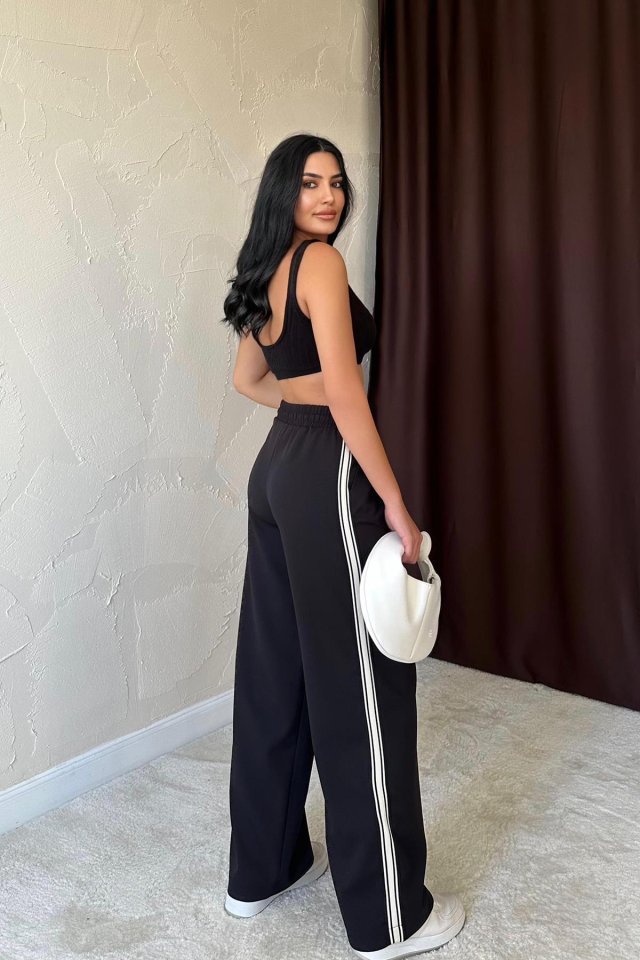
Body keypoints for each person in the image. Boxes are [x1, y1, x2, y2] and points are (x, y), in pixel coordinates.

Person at [220, 133, 465, 959]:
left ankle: (262, 871)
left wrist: (306, 400)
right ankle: (391, 918)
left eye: (336, 182)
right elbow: (349, 396)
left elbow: (249, 380)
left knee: (275, 673)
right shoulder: (319, 263)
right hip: (325, 471)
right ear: (283, 192)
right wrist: (394, 503)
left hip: (274, 472)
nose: (328, 196)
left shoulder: (265, 267)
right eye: (310, 183)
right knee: (363, 684)